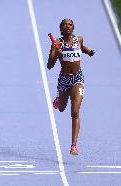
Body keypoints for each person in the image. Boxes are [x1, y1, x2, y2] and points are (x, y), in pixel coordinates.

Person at [47, 18, 95, 155]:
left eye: (70, 25)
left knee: (75, 111)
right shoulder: (57, 43)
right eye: (64, 25)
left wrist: (89, 51)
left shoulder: (78, 39)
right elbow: (49, 66)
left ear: (73, 28)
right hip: (64, 79)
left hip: (77, 78)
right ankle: (57, 100)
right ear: (61, 29)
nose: (67, 26)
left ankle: (74, 145)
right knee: (61, 108)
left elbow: (82, 47)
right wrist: (56, 54)